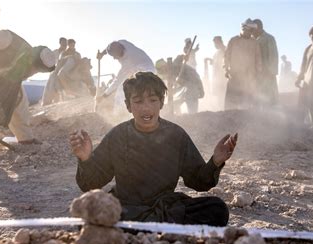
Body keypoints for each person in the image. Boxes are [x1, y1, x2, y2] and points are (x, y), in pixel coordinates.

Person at [70, 72, 235, 226]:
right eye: (138, 101)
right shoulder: (118, 136)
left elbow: (198, 182)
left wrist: (215, 162)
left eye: (152, 100)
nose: (146, 108)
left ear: (161, 103)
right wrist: (85, 159)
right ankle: (158, 226)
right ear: (128, 106)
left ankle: (146, 226)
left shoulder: (176, 135)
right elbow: (92, 184)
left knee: (217, 208)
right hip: (127, 208)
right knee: (92, 214)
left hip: (166, 207)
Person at [96, 40, 155, 116]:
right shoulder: (122, 42)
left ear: (120, 53)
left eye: (115, 56)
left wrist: (104, 95)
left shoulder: (127, 62)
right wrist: (102, 54)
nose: (114, 58)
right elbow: (109, 46)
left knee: (122, 90)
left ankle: (118, 115)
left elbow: (117, 81)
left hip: (147, 70)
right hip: (144, 65)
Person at [224, 19, 262, 110]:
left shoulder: (255, 43)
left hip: (249, 78)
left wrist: (258, 74)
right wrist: (226, 69)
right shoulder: (233, 41)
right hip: (235, 76)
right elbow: (226, 57)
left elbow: (258, 60)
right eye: (249, 31)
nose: (251, 33)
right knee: (231, 103)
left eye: (252, 31)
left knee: (248, 104)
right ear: (243, 29)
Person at [252, 19, 279, 106]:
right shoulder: (253, 40)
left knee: (269, 98)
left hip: (267, 74)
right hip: (256, 74)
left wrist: (271, 73)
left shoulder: (269, 38)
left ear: (259, 28)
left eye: (253, 29)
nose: (252, 31)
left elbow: (273, 56)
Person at [206, 36, 226, 107]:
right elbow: (216, 62)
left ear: (219, 42)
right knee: (219, 94)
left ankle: (223, 108)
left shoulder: (225, 50)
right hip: (217, 76)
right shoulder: (217, 52)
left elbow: (224, 63)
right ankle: (220, 108)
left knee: (223, 94)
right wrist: (212, 61)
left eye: (215, 44)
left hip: (223, 77)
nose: (214, 46)